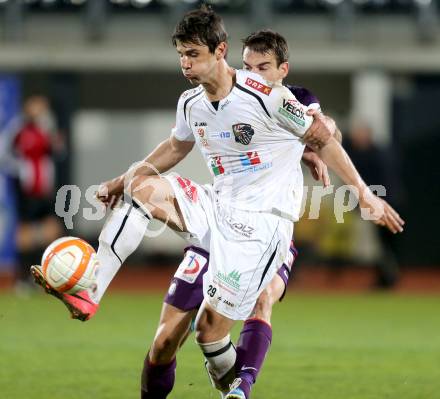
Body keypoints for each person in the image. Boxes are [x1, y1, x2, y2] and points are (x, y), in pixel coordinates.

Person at [32, 6, 404, 399]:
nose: (185, 64)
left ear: (219, 50)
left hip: (261, 226)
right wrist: (122, 180)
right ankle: (92, 288)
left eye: (193, 54)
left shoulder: (268, 97)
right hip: (216, 206)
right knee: (142, 186)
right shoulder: (190, 103)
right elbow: (176, 145)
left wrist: (364, 194)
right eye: (181, 55)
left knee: (210, 333)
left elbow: (325, 137)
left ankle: (237, 389)